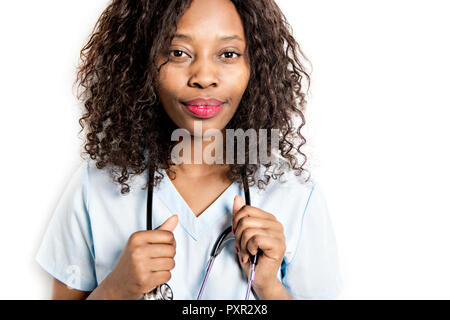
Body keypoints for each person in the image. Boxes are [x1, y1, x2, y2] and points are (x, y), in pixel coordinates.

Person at [36, 0, 343, 300]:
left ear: (256, 67)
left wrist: (269, 288)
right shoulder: (95, 186)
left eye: (228, 53)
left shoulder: (295, 195)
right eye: (178, 52)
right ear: (143, 63)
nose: (204, 78)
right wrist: (117, 289)